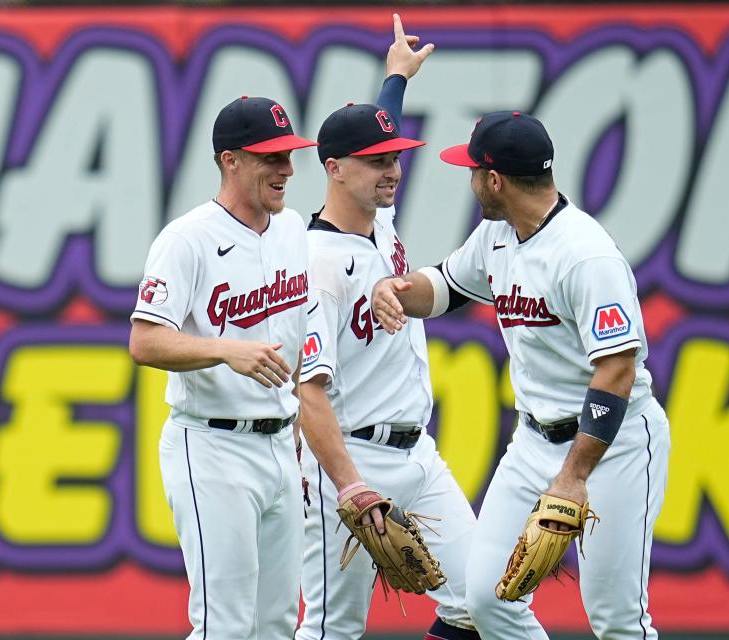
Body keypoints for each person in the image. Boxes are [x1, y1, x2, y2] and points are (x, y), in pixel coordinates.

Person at [370, 111, 671, 639]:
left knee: (617, 618)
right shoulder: (498, 235)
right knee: (485, 598)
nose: (467, 180)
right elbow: (444, 287)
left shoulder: (584, 255)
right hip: (534, 440)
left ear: (494, 180)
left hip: (612, 445)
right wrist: (391, 288)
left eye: (471, 170)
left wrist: (575, 475)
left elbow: (618, 368)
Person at [294, 16, 488, 640]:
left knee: (478, 599)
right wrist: (351, 488)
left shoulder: (377, 221)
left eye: (395, 159)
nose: (391, 170)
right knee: (331, 629)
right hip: (347, 461)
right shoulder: (316, 262)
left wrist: (396, 80)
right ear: (333, 169)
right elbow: (307, 393)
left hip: (418, 455)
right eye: (374, 162)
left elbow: (379, 128)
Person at [128, 94, 317, 638]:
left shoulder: (292, 229)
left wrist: (298, 423)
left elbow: (294, 337)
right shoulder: (187, 239)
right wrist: (224, 348)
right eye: (270, 156)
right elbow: (144, 341)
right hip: (213, 447)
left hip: (281, 445)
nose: (285, 168)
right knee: (224, 626)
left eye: (288, 154)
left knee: (277, 624)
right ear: (230, 160)